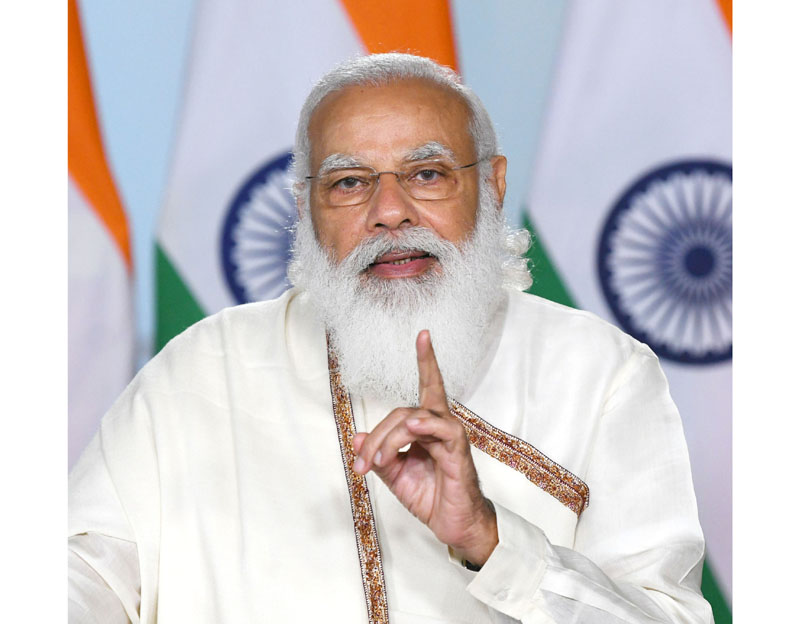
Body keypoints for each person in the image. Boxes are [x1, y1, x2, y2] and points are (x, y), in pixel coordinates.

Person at [69, 53, 712, 623]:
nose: (390, 210)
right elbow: (87, 574)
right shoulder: (203, 369)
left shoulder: (601, 372)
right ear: (305, 209)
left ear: (491, 185)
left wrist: (492, 542)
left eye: (428, 174)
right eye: (350, 182)